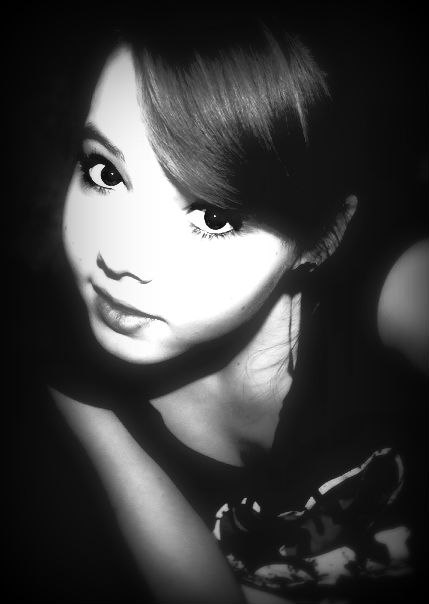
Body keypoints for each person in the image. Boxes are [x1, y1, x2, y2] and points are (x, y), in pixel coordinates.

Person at [9, 10, 428, 604]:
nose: (119, 257)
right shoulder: (71, 362)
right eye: (105, 173)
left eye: (213, 217)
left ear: (321, 239)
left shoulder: (395, 287)